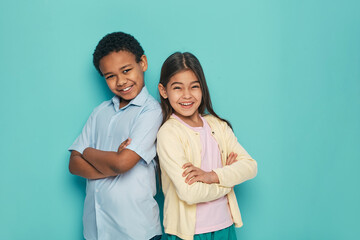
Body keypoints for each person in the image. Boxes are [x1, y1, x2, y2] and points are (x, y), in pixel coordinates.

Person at [68, 32, 162, 240]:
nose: (120, 81)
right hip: (96, 230)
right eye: (110, 76)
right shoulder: (99, 112)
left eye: (126, 70)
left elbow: (122, 163)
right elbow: (74, 164)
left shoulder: (151, 111)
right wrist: (111, 164)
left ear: (143, 63)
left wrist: (89, 152)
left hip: (136, 231)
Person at [157, 52, 258, 240]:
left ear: (202, 88)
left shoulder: (217, 126)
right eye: (177, 88)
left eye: (194, 87)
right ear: (164, 91)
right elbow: (190, 193)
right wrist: (229, 180)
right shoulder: (169, 133)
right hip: (189, 233)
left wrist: (212, 176)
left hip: (225, 226)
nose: (187, 95)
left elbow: (250, 167)